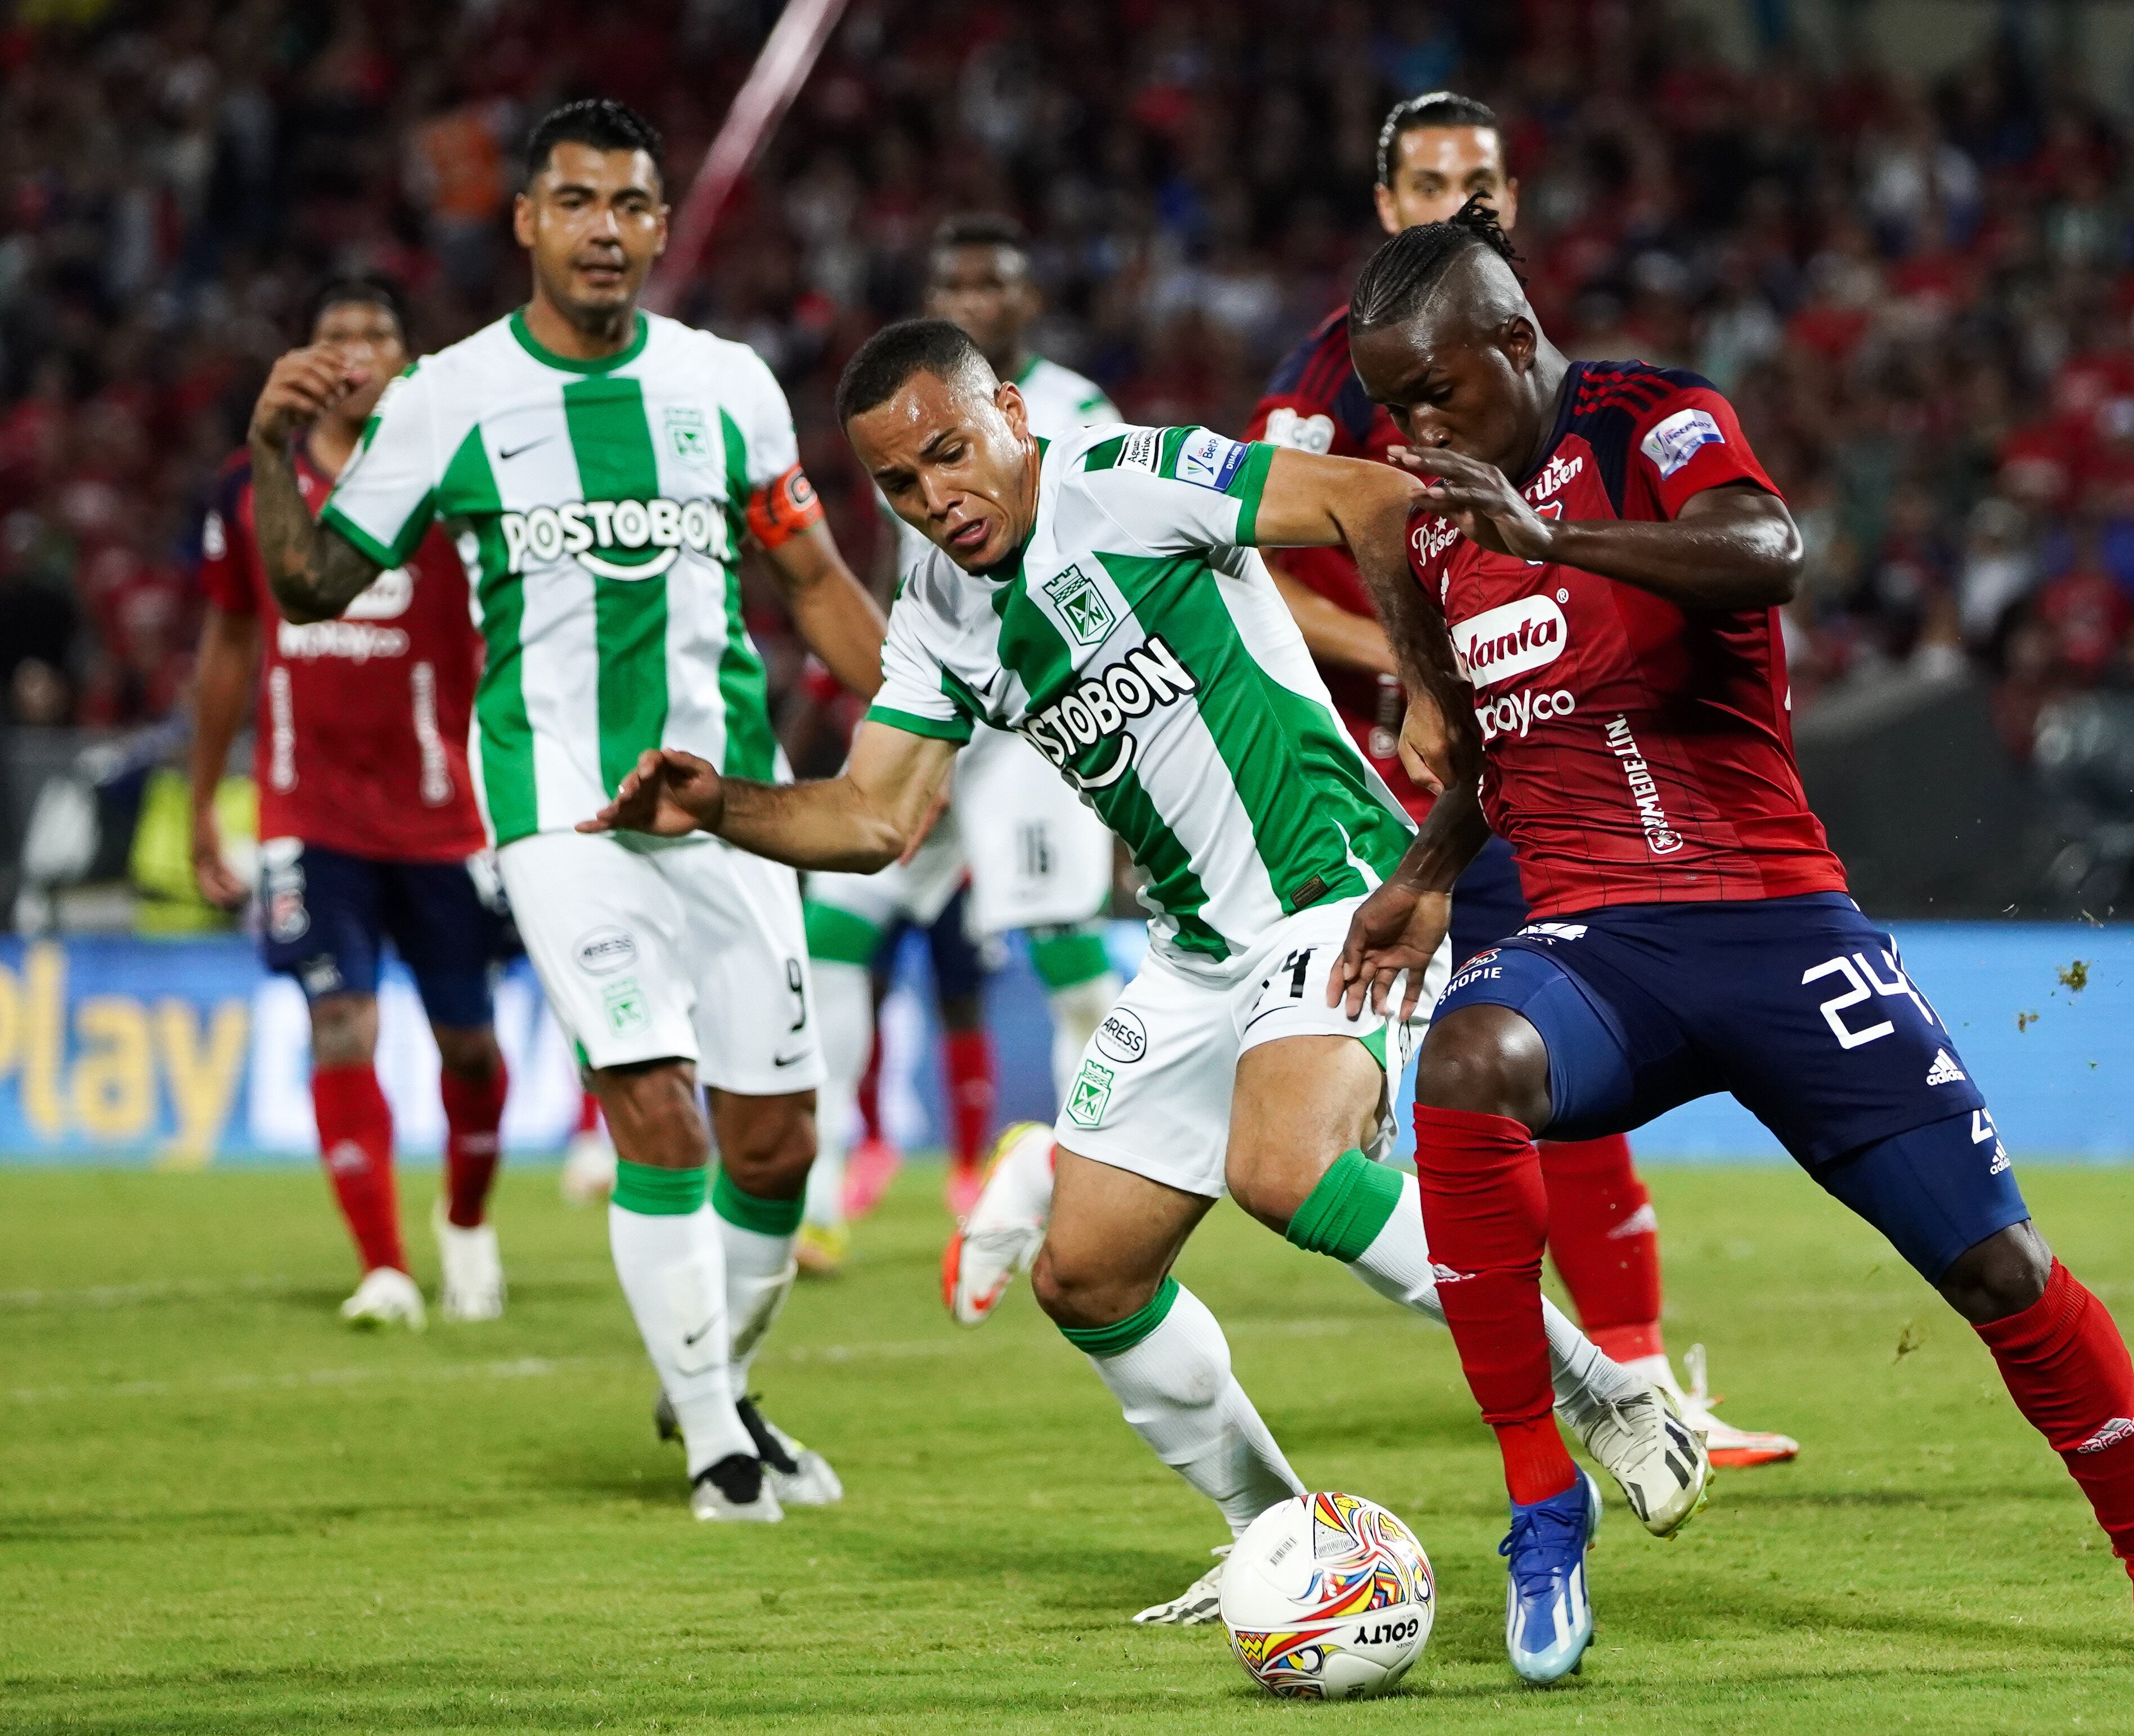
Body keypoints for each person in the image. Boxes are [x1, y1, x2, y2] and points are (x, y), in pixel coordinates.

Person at [586, 317, 1710, 1621]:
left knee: (1282, 1166)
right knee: (1086, 1275)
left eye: (951, 454)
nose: (936, 500)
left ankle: (1598, 1387)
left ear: (1009, 409)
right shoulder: (942, 609)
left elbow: (1371, 493)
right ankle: (1276, 1536)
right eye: (900, 484)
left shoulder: (1127, 477)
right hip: (1192, 954)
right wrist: (719, 805)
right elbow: (874, 817)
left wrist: (1418, 675)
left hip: (1333, 891)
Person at [1332, 203, 2134, 1680]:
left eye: (1433, 390)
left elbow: (1766, 548)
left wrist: (1554, 531)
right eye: (1390, 404)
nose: (1413, 425)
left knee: (1997, 1270)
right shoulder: (1436, 527)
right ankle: (1539, 1495)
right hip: (1591, 950)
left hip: (1774, 928)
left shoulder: (1650, 418)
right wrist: (1426, 868)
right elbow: (1490, 767)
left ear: (1514, 340)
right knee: (1466, 1056)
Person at [245, 99, 885, 1523]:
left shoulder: (726, 384)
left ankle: (705, 1373)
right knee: (657, 1118)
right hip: (559, 819)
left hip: (728, 815)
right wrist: (272, 453)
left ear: (661, 225)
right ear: (526, 220)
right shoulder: (447, 398)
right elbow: (312, 587)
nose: (608, 229)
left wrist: (927, 715)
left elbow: (816, 585)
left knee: (776, 1145)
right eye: (578, 202)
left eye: (633, 205)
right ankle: (720, 1446)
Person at [1243, 89, 1795, 1472]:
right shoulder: (1337, 374)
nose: (1456, 198)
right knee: (1363, 1098)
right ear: (1383, 204)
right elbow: (1257, 554)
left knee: (1553, 1038)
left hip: (1517, 768)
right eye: (1427, 179)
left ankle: (1635, 1387)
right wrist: (1416, 669)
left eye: (1478, 178)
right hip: (1382, 778)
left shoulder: (1543, 369)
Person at [797, 213, 1129, 1266]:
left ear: (1028, 302)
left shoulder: (1079, 410)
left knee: (1072, 959)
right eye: (955, 281)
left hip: (1045, 725)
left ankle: (1101, 1182)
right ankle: (817, 1190)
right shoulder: (903, 413)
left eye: (995, 282)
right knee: (836, 928)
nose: (974, 297)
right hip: (942, 705)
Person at [189, 277, 511, 1331]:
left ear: (409, 357)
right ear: (306, 359)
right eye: (337, 334)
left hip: (443, 815)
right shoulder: (253, 489)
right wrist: (204, 803)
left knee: (468, 1044)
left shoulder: (458, 480)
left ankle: (465, 1220)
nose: (359, 349)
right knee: (340, 1022)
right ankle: (383, 1265)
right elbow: (230, 646)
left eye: (380, 331)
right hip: (308, 810)